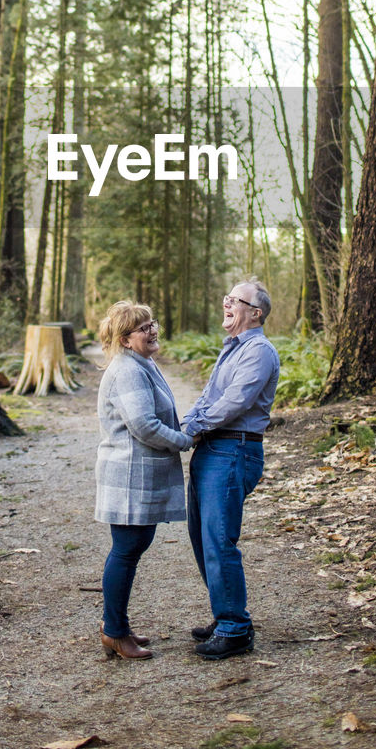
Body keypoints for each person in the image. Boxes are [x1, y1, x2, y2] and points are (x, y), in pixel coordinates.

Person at [181, 277, 280, 661]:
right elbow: (208, 398)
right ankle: (228, 615)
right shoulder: (232, 349)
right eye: (226, 297)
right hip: (213, 449)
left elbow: (234, 403)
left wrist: (190, 429)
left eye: (235, 300)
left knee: (220, 540)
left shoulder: (258, 352)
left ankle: (235, 629)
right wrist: (186, 426)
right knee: (203, 538)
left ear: (254, 314)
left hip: (233, 451)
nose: (226, 303)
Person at [95, 300, 192, 659]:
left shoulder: (142, 363)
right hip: (128, 476)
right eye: (143, 327)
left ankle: (116, 624)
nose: (152, 330)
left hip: (137, 475)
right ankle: (115, 632)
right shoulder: (128, 370)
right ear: (124, 340)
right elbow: (144, 426)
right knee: (126, 550)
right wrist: (185, 440)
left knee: (131, 548)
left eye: (153, 323)